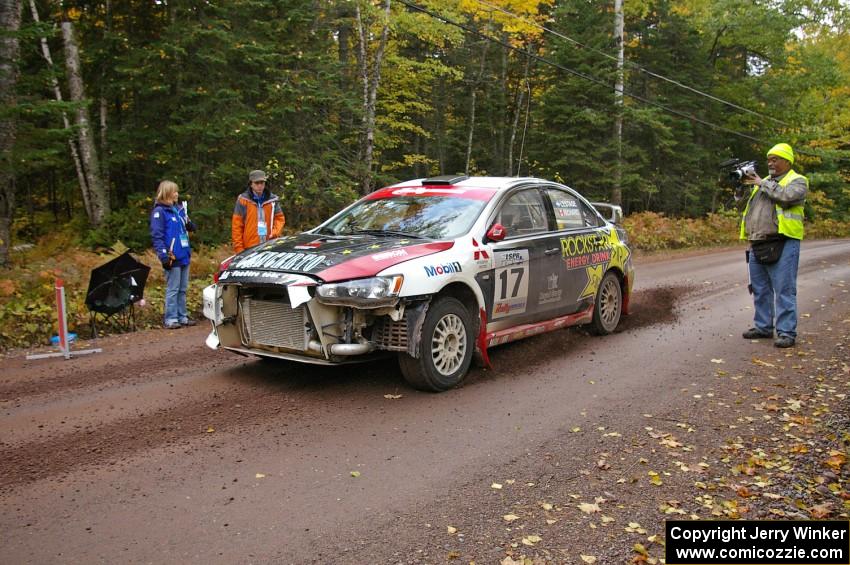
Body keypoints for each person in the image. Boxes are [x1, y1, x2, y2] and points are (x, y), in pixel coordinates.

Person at [738, 143, 808, 348]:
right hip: (758, 242)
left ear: (787, 161)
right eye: (769, 159)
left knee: (784, 289)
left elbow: (786, 197)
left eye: (775, 159)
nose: (770, 163)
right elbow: (744, 208)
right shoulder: (763, 183)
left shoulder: (797, 181)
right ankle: (763, 327)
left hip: (784, 241)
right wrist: (740, 189)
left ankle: (786, 332)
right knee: (760, 289)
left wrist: (761, 183)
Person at [150, 180, 197, 329]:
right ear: (167, 193)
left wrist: (189, 223)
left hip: (184, 254)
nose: (177, 194)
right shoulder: (160, 212)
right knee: (173, 288)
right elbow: (157, 236)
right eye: (174, 191)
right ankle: (171, 318)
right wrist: (163, 255)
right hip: (172, 256)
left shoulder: (178, 210)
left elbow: (189, 228)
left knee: (182, 289)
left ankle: (182, 316)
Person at [231, 169, 285, 253]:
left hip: (269, 245)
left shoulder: (273, 200)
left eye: (262, 183)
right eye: (256, 183)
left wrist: (275, 233)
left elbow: (280, 219)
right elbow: (237, 226)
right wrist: (239, 249)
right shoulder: (243, 200)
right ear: (251, 184)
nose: (259, 185)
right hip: (249, 247)